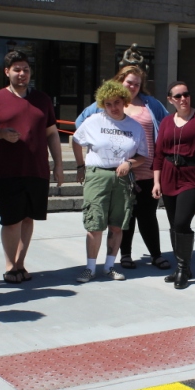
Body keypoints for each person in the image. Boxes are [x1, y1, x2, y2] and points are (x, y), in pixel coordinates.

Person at [76, 65, 170, 271]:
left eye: (137, 83)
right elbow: (81, 124)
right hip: (115, 171)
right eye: (129, 82)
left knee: (147, 214)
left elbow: (166, 125)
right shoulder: (108, 103)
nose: (133, 86)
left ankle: (156, 254)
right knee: (125, 215)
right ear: (120, 80)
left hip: (144, 167)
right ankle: (125, 255)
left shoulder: (150, 104)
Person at [0, 51, 64, 283]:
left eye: (26, 70)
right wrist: (1, 134)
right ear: (7, 72)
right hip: (6, 170)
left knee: (29, 219)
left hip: (36, 169)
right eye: (17, 69)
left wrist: (58, 164)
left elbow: (52, 133)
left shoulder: (42, 99)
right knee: (11, 221)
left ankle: (21, 263)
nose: (22, 74)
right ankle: (10, 265)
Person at [71, 80, 149, 283]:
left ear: (124, 101)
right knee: (94, 224)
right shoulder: (94, 121)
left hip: (122, 178)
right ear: (102, 104)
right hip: (97, 175)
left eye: (116, 102)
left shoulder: (135, 127)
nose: (113, 107)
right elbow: (76, 140)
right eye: (108, 104)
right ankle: (90, 268)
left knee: (117, 225)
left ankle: (109, 266)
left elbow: (142, 155)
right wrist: (81, 166)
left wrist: (130, 164)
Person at [151, 82, 195, 289]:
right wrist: (156, 181)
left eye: (186, 95)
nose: (183, 99)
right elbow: (159, 154)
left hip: (194, 174)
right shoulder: (165, 122)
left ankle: (183, 268)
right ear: (170, 100)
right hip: (169, 175)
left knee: (181, 222)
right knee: (173, 224)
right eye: (178, 96)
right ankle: (182, 267)